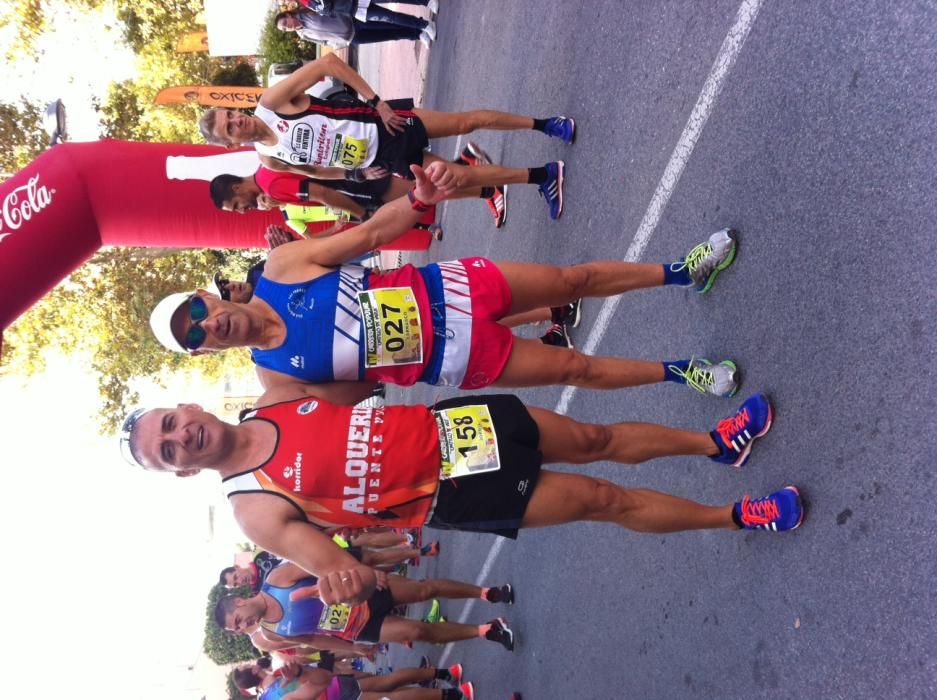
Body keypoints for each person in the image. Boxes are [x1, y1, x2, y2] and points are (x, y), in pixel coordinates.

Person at [121, 378, 804, 606]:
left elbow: (371, 373)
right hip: (448, 492)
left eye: (173, 424)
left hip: (453, 425)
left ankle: (715, 443)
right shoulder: (255, 510)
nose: (183, 438)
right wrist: (342, 581)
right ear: (181, 472)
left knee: (593, 438)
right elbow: (346, 569)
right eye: (169, 450)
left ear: (189, 407)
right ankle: (737, 514)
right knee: (602, 499)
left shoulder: (272, 398)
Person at [150, 163, 741, 406]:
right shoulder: (276, 380)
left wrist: (417, 200)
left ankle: (684, 271)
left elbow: (366, 237)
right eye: (195, 337)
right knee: (573, 370)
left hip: (451, 288)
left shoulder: (280, 271)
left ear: (206, 295)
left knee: (572, 278)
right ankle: (682, 370)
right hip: (454, 358)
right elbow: (361, 401)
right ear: (204, 352)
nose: (207, 325)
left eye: (195, 312)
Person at [197, 53, 574, 219]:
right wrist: (357, 174)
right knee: (459, 176)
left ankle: (545, 124)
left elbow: (328, 63)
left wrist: (377, 102)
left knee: (464, 123)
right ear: (231, 144)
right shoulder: (268, 159)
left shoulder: (271, 103)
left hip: (385, 123)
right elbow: (317, 173)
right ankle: (542, 176)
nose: (236, 122)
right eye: (229, 128)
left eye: (231, 115)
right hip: (383, 160)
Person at [215, 561, 516, 652]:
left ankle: (485, 592)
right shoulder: (271, 633)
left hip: (365, 592)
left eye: (238, 621)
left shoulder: (277, 579)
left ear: (240, 601)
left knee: (426, 589)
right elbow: (315, 640)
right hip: (359, 627)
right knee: (420, 630)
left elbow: (323, 559)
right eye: (237, 629)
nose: (242, 628)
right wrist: (354, 648)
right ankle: (485, 630)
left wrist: (366, 572)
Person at [276, 8, 436, 49]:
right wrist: (339, 44)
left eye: (285, 24)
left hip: (354, 21)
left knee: (388, 23)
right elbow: (324, 41)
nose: (288, 28)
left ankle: (420, 25)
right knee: (390, 34)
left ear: (289, 15)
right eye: (284, 30)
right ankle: (417, 35)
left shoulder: (308, 11)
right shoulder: (303, 34)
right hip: (353, 38)